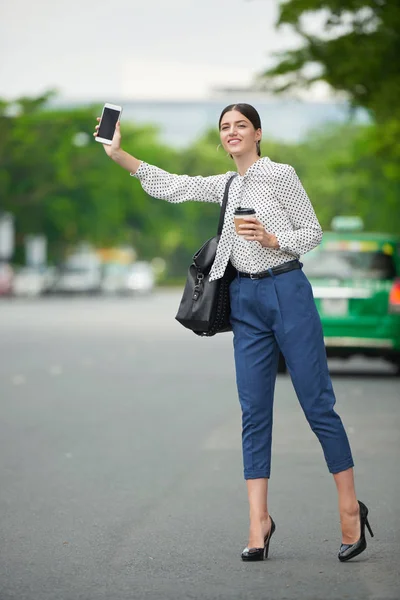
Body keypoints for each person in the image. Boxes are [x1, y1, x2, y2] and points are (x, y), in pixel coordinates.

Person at [93, 103, 373, 562]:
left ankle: (348, 508)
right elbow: (174, 186)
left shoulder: (281, 174)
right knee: (253, 410)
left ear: (258, 132)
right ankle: (257, 523)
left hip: (288, 291)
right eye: (225, 127)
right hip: (245, 301)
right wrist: (119, 155)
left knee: (316, 401)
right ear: (222, 140)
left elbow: (313, 231)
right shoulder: (225, 185)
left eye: (241, 125)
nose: (233, 132)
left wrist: (271, 239)